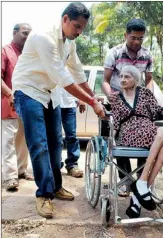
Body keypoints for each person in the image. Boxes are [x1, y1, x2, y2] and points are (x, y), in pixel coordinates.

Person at [12, 2, 105, 219]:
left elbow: (78, 72)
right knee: (39, 144)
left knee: (57, 142)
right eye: (76, 26)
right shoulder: (44, 37)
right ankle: (44, 194)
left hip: (49, 93)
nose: (79, 32)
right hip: (28, 90)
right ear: (65, 19)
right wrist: (92, 103)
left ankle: (55, 186)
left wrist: (93, 96)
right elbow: (63, 78)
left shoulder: (69, 42)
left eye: (83, 28)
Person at [109, 65, 163, 218]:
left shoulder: (145, 93)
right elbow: (117, 121)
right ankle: (142, 185)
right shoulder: (115, 98)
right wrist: (111, 139)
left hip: (148, 130)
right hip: (129, 132)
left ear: (135, 80)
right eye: (121, 76)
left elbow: (157, 109)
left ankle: (138, 194)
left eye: (127, 76)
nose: (123, 79)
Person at [102, 18, 154, 195]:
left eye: (140, 38)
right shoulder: (114, 53)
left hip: (137, 99)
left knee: (146, 133)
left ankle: (140, 182)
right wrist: (115, 100)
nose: (137, 42)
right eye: (133, 38)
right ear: (125, 35)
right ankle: (125, 181)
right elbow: (105, 81)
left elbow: (149, 81)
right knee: (117, 137)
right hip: (118, 97)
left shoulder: (147, 55)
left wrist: (146, 99)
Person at [1, 23, 33, 191]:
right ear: (14, 33)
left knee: (23, 141)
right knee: (8, 142)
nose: (28, 37)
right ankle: (10, 177)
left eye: (30, 34)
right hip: (8, 105)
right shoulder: (5, 51)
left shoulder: (28, 55)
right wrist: (9, 94)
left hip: (26, 105)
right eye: (24, 33)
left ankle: (21, 171)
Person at [60, 89, 85, 177]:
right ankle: (55, 165)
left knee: (71, 136)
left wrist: (81, 98)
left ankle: (72, 165)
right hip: (53, 103)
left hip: (69, 103)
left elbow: (79, 80)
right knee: (55, 137)